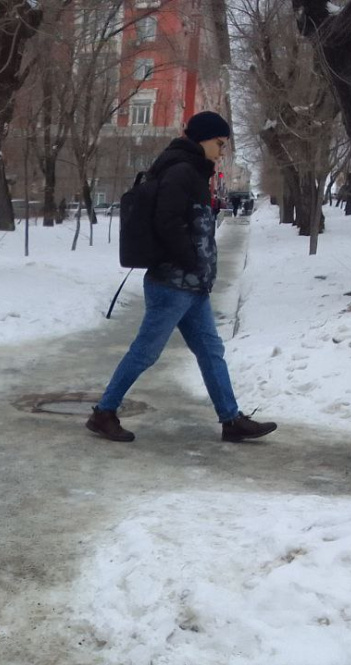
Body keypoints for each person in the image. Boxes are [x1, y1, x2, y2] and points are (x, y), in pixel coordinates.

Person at [86, 111, 277, 444]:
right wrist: (189, 261)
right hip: (172, 284)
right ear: (202, 138)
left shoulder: (193, 172)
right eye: (219, 144)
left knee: (210, 351)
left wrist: (197, 270)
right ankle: (104, 412)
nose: (221, 151)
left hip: (191, 286)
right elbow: (167, 220)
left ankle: (231, 420)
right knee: (146, 352)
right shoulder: (181, 171)